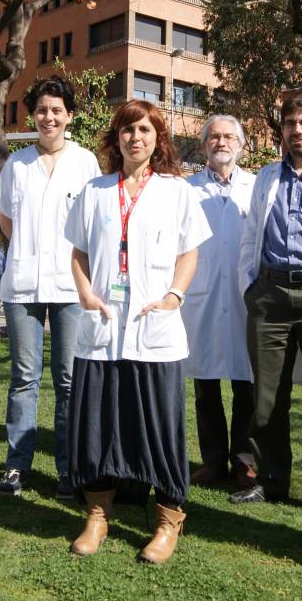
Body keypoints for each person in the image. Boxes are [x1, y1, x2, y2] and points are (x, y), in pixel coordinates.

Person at [64, 99, 210, 563]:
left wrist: (174, 296)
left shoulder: (176, 191)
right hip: (104, 326)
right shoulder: (95, 191)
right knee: (99, 423)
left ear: (157, 137)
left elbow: (189, 252)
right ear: (117, 137)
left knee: (160, 426)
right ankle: (97, 516)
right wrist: (86, 294)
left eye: (144, 130)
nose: (135, 138)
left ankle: (168, 520)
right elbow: (78, 252)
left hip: (154, 327)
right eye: (127, 130)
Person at [0, 76, 102, 499]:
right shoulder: (17, 165)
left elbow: (92, 227)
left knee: (69, 380)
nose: (48, 117)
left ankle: (67, 470)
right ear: (32, 116)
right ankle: (16, 466)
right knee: (24, 377)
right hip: (22, 287)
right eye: (41, 110)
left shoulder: (85, 162)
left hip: (71, 288)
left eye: (57, 110)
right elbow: (7, 221)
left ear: (69, 115)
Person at [231, 95, 302, 506]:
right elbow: (252, 233)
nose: (297, 130)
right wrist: (250, 287)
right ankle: (272, 481)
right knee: (268, 399)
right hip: (270, 295)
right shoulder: (267, 176)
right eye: (291, 123)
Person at [183, 114, 257, 488]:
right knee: (206, 383)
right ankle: (213, 462)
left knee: (248, 381)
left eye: (229, 136)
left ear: (241, 145)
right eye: (214, 137)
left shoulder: (256, 187)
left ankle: (244, 461)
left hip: (245, 297)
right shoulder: (186, 190)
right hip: (203, 295)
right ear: (203, 146)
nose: (221, 142)